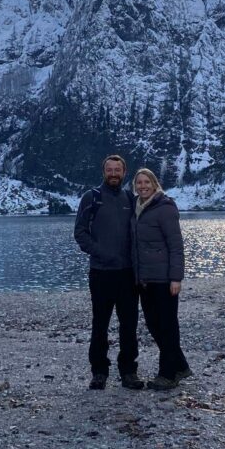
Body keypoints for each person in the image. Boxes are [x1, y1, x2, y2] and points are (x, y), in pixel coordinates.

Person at [73, 154, 143, 391]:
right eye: (110, 170)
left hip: (127, 274)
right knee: (100, 323)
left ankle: (128, 372)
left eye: (118, 170)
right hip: (101, 273)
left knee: (129, 324)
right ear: (104, 172)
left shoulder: (130, 199)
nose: (113, 174)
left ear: (125, 173)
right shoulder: (92, 198)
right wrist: (101, 253)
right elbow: (80, 233)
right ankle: (99, 372)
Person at [131, 167, 191, 390]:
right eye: (139, 183)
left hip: (164, 279)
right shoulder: (136, 208)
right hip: (145, 279)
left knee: (167, 325)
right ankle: (181, 365)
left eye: (147, 182)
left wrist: (176, 278)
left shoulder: (164, 208)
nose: (143, 186)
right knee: (154, 324)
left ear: (155, 184)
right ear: (135, 186)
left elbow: (176, 246)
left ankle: (167, 375)